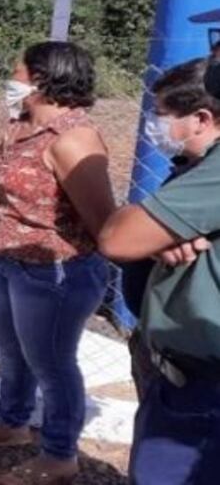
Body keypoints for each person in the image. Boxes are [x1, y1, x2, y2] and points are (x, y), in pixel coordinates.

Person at [0, 41, 116, 485]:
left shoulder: (73, 139)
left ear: (42, 79)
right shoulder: (20, 124)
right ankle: (11, 422)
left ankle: (60, 454)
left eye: (16, 72)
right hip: (3, 261)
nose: (10, 80)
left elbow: (103, 222)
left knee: (53, 365)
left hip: (54, 272)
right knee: (11, 352)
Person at [99, 56, 220, 485]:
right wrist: (158, 239)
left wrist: (148, 233)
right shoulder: (194, 170)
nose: (154, 123)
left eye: (162, 113)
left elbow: (115, 238)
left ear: (201, 118)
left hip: (200, 382)